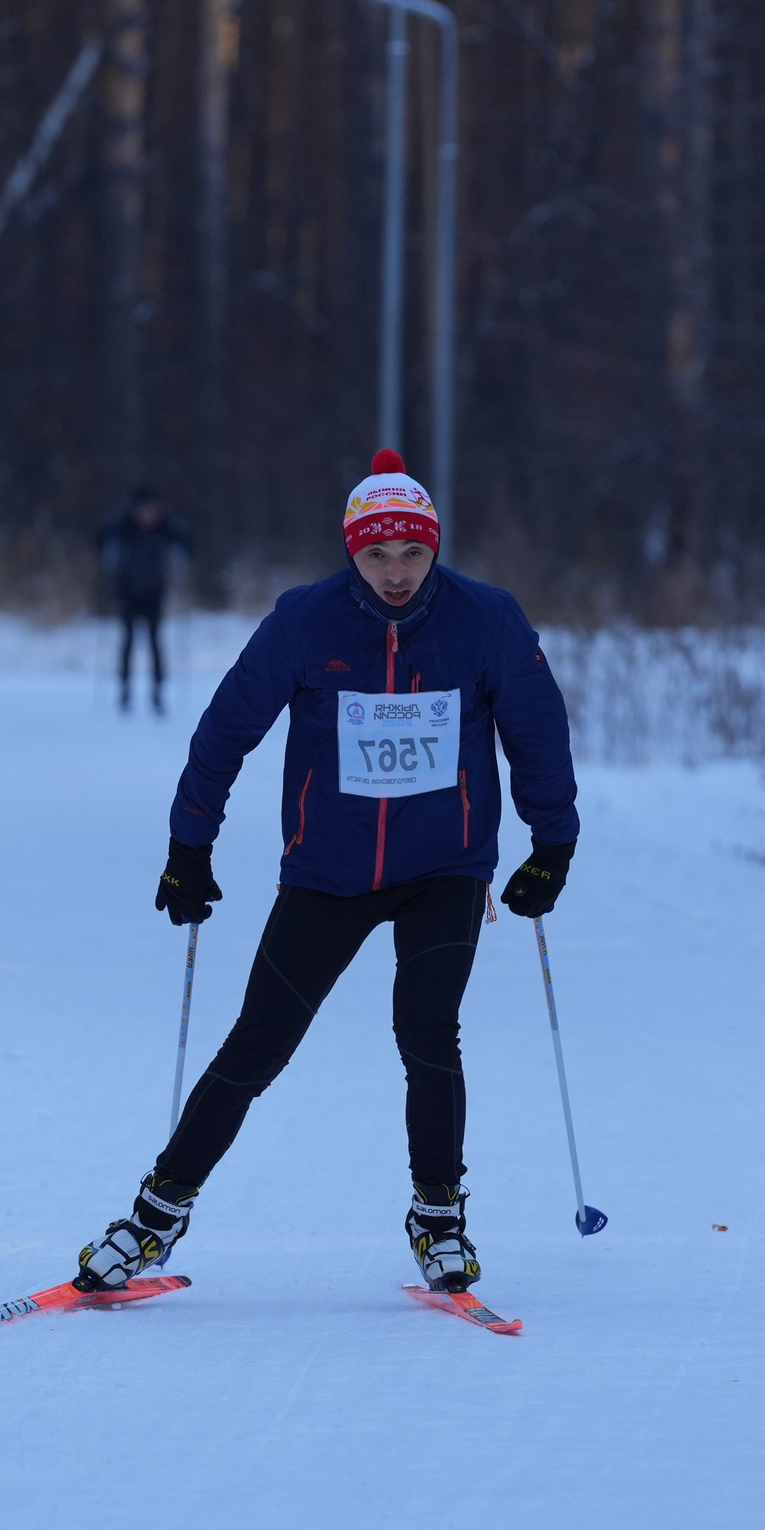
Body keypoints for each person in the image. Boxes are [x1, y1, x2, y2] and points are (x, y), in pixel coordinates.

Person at [74, 449, 580, 1297]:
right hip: (326, 871)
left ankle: (438, 1211)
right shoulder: (304, 619)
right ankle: (156, 1211)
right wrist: (187, 847)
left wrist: (552, 845)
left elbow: (538, 731)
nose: (395, 573)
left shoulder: (486, 619)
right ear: (350, 550)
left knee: (427, 1029)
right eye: (376, 554)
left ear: (435, 548)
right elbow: (226, 729)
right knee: (257, 1044)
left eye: (412, 553)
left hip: (443, 868)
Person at [98, 488, 190, 714]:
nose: (147, 516)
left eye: (152, 510)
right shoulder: (123, 527)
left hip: (154, 593)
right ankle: (125, 691)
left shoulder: (164, 528)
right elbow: (99, 538)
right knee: (128, 641)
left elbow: (188, 543)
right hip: (127, 593)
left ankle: (157, 692)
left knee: (155, 642)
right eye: (143, 511)